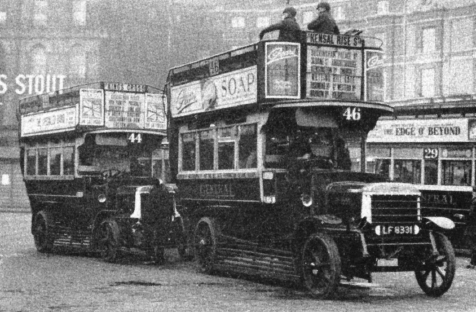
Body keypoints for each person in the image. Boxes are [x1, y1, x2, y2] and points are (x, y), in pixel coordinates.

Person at [142, 178, 175, 263]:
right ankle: (160, 257)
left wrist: (144, 217)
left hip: (153, 218)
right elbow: (170, 205)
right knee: (161, 238)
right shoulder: (165, 192)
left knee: (149, 237)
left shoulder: (153, 193)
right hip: (164, 217)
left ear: (153, 185)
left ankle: (150, 256)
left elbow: (149, 207)